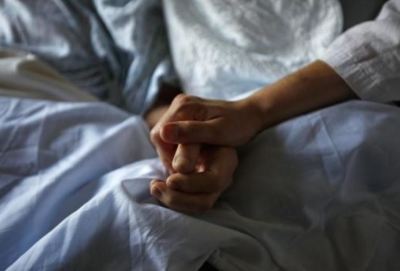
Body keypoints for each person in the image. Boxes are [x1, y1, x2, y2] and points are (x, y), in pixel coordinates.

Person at [147, 0, 400, 213]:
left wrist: (253, 111)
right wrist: (196, 135)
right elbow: (142, 91)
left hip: (338, 101)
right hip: (222, 131)